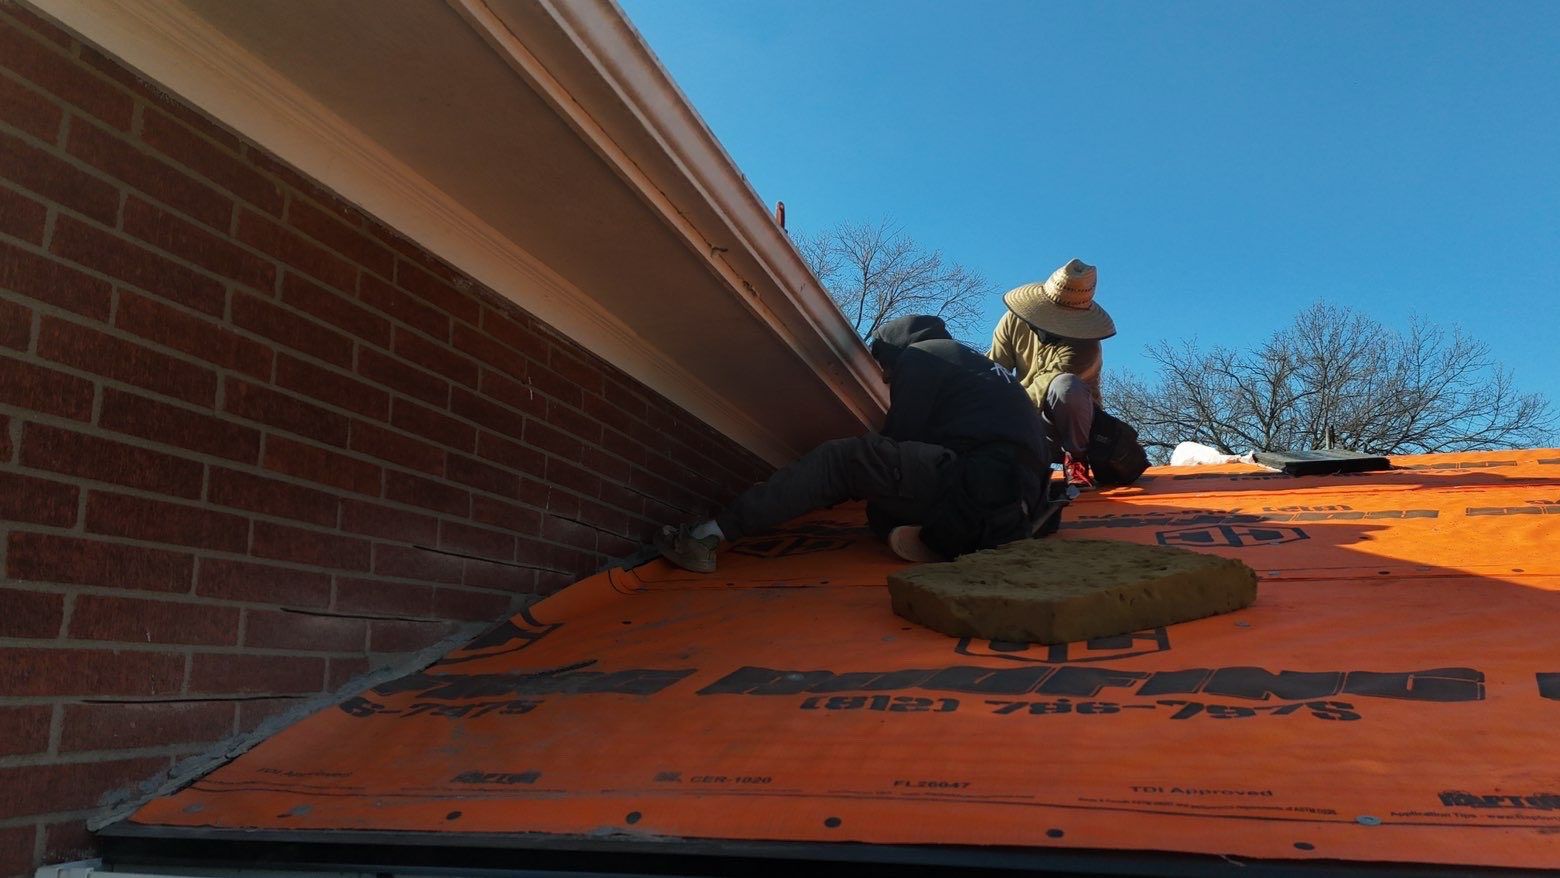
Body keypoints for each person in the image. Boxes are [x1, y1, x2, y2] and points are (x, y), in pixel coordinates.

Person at [655, 315, 1050, 573]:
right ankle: (954, 534)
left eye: (885, 371)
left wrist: (826, 483)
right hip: (1016, 500)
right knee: (880, 516)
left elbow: (900, 437)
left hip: (977, 483)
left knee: (843, 459)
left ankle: (707, 536)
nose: (886, 380)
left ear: (894, 351)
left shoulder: (924, 357)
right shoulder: (980, 369)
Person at [988, 258, 1115, 488]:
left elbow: (1045, 387)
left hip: (1069, 424)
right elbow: (994, 371)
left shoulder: (1086, 345)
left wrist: (1008, 413)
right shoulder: (1011, 321)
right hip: (1024, 418)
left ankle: (1076, 459)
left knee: (1065, 387)